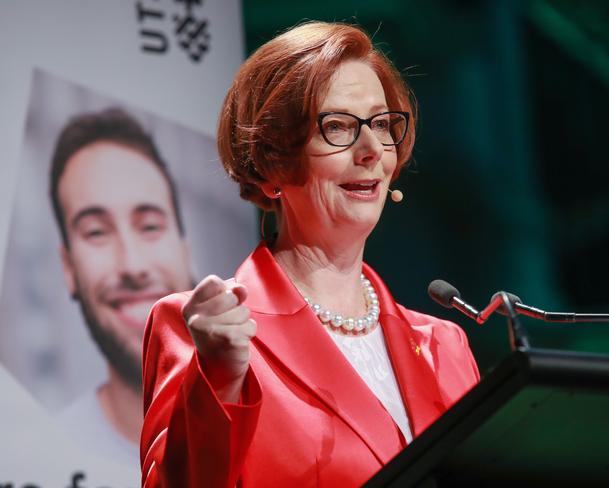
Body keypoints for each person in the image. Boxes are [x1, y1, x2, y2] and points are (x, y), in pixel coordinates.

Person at [141, 21, 480, 486]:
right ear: (270, 162)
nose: (370, 150)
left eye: (381, 125)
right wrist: (216, 382)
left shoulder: (446, 346)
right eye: (337, 126)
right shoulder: (203, 333)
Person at [49, 108, 194, 467]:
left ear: (184, 250)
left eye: (149, 226)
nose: (132, 265)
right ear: (68, 269)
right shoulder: (43, 459)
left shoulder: (267, 430)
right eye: (96, 232)